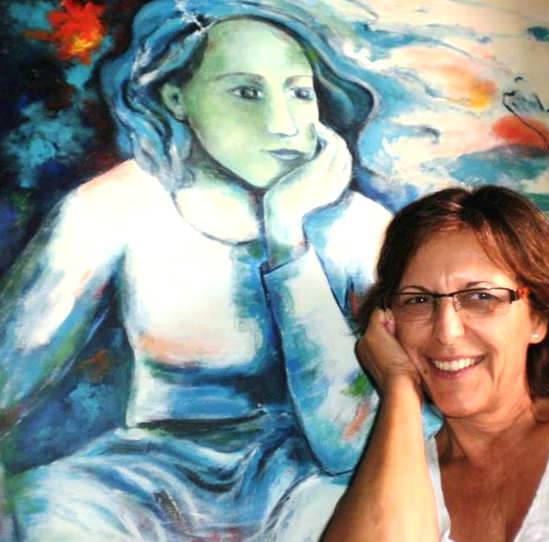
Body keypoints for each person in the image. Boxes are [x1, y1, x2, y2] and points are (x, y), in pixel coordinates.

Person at [0, 1, 391, 539]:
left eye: (300, 93)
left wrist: (288, 237)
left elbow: (351, 443)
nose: (283, 125)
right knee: (47, 506)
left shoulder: (359, 227)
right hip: (142, 483)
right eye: (246, 92)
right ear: (175, 97)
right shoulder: (114, 208)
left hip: (304, 486)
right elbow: (10, 373)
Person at [323, 185, 549, 541]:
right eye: (418, 300)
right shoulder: (394, 479)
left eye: (480, 296)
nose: (447, 332)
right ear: (389, 322)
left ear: (538, 317)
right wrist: (399, 384)